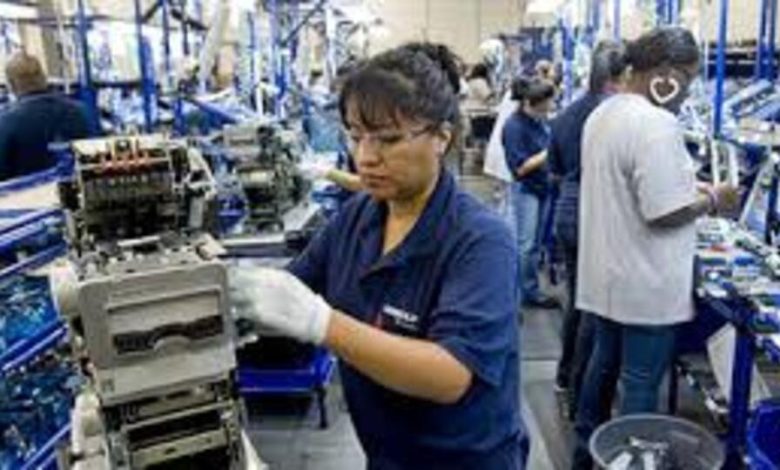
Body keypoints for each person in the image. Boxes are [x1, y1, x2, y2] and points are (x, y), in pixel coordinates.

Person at [232, 42, 527, 469]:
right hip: (387, 454)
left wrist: (321, 322)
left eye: (388, 139)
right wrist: (231, 300)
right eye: (355, 136)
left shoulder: (480, 241)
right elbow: (293, 285)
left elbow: (450, 374)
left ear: (441, 137)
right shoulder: (358, 218)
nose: (365, 157)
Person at [572, 27, 740, 469]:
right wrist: (714, 200)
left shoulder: (604, 113)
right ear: (664, 73)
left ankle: (584, 454)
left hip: (608, 275)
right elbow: (662, 212)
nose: (687, 90)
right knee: (641, 384)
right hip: (645, 284)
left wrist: (688, 185)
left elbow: (629, 183)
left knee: (602, 368)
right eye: (687, 78)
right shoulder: (656, 123)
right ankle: (634, 459)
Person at [549, 40, 629, 420]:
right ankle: (583, 398)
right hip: (591, 211)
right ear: (615, 79)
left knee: (578, 301)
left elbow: (554, 169)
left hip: (567, 207)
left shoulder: (566, 115)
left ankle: (566, 378)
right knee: (594, 310)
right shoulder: (610, 117)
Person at [502, 75, 558, 309]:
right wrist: (548, 153)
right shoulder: (514, 127)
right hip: (527, 189)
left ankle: (529, 289)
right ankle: (525, 292)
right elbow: (520, 168)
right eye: (546, 103)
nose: (549, 107)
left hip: (542, 187)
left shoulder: (539, 122)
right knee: (527, 245)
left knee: (535, 244)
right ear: (530, 103)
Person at [0, 52, 92, 180]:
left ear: (11, 85)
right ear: (44, 78)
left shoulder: (5, 122)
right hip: (80, 188)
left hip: (29, 192)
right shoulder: (81, 111)